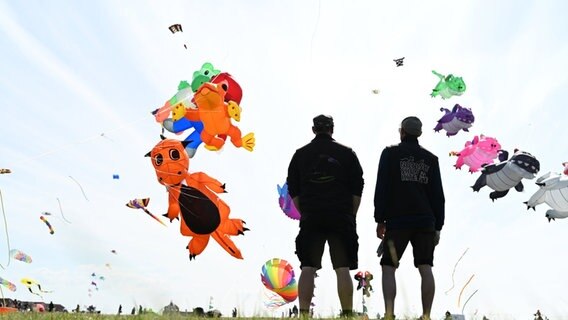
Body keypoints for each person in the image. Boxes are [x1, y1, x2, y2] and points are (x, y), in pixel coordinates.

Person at [287, 114, 364, 318]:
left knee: (308, 267)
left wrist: (304, 212)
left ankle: (304, 314)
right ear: (332, 129)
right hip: (341, 214)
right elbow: (358, 186)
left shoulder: (300, 154)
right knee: (342, 267)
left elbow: (293, 189)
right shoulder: (347, 153)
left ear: (313, 130)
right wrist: (351, 214)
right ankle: (347, 313)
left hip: (312, 214)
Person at [374, 116, 445, 320]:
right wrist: (438, 226)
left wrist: (380, 219)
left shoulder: (390, 153)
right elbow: (438, 196)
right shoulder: (431, 159)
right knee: (425, 267)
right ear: (419, 133)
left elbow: (382, 187)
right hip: (425, 222)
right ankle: (426, 315)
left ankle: (389, 314)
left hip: (398, 221)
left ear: (402, 131)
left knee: (389, 267)